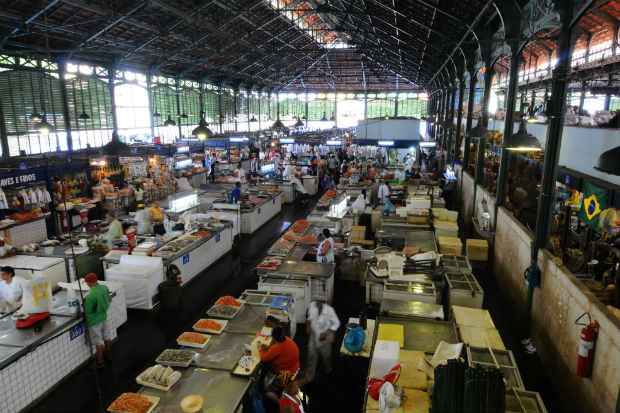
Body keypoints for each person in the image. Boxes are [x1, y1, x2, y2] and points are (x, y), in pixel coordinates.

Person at [304, 300, 340, 383]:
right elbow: (309, 317)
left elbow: (337, 323)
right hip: (313, 336)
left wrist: (327, 332)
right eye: (316, 302)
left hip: (325, 338)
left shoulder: (329, 310)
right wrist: (308, 325)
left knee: (326, 356)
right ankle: (310, 376)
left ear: (323, 303)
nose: (317, 304)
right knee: (311, 355)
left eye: (319, 303)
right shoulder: (312, 305)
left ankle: (328, 370)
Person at [83, 273, 111, 367]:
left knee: (98, 341)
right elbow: (109, 299)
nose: (86, 284)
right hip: (103, 316)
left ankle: (100, 362)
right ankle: (108, 355)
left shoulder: (90, 295)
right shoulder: (104, 287)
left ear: (90, 282)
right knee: (107, 336)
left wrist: (83, 303)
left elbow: (88, 310)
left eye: (87, 282)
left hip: (94, 321)